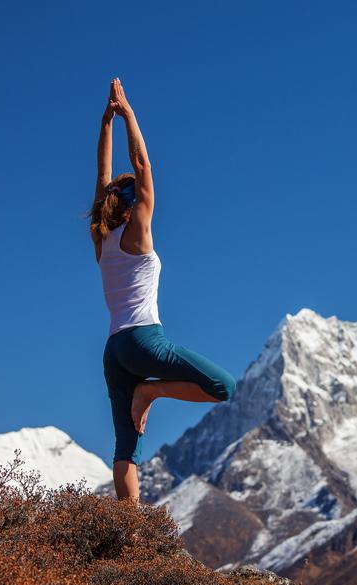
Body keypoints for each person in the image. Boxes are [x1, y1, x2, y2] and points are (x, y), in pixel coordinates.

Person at [88, 77, 236, 502]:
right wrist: (127, 114)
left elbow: (102, 177)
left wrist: (105, 125)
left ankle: (130, 542)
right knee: (223, 386)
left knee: (126, 450)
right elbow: (143, 166)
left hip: (114, 348)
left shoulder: (101, 241)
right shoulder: (138, 232)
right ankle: (151, 389)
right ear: (135, 204)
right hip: (143, 340)